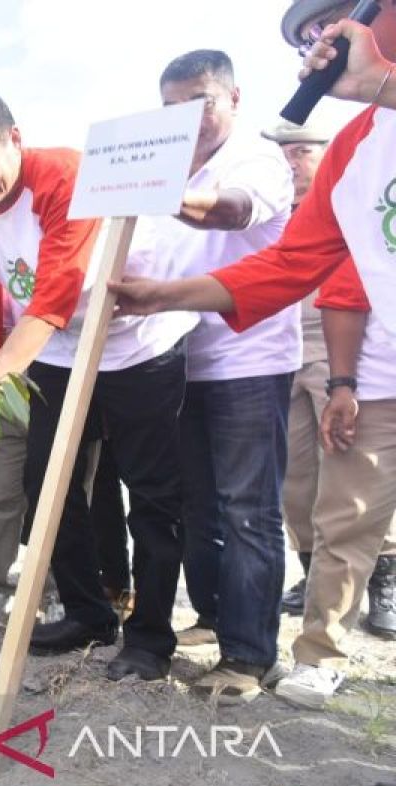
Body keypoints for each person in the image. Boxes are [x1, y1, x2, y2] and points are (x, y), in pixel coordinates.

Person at [109, 0, 396, 706]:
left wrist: (384, 82)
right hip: (183, 356)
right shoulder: (357, 149)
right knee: (215, 507)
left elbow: (237, 212)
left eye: (342, 21)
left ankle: (252, 651)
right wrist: (163, 295)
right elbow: (290, 265)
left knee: (249, 509)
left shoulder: (263, 157)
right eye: (307, 37)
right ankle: (225, 626)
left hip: (253, 366)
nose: (320, 43)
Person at [0, 87, 191, 683]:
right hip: (58, 355)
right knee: (47, 483)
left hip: (138, 346)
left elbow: (50, 300)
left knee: (150, 494)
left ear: (13, 138)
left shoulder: (66, 175)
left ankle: (149, 637)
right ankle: (88, 612)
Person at [259, 119, 334, 615]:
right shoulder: (266, 214)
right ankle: (310, 574)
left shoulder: (346, 204)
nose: (292, 161)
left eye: (302, 151)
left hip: (339, 345)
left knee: (349, 465)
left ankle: (383, 580)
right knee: (295, 474)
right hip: (280, 347)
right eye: (284, 153)